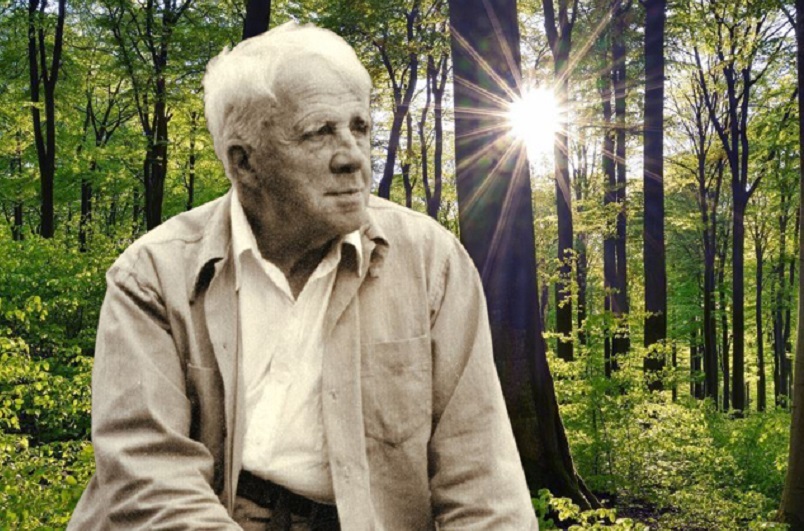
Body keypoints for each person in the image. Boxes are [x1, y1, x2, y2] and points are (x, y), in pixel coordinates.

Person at [68, 22, 537, 530]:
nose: (353, 157)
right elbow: (148, 474)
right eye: (320, 132)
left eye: (359, 127)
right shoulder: (154, 275)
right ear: (244, 163)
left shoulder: (432, 263)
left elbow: (481, 477)